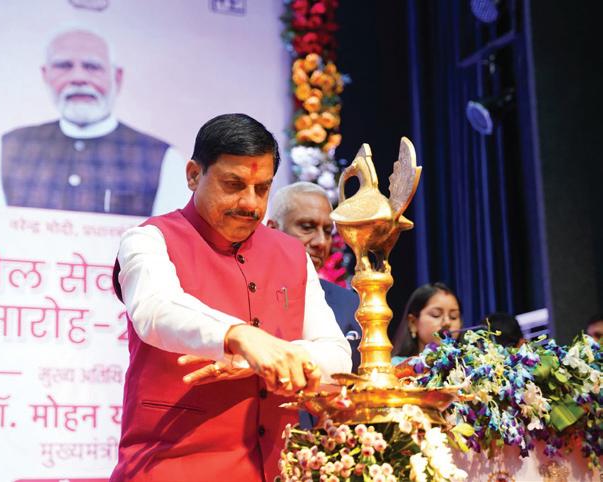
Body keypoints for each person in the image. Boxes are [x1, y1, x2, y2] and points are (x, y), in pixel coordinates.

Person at [110, 113, 351, 481]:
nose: (250, 203)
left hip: (278, 470)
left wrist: (259, 360)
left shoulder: (291, 254)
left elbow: (336, 357)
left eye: (262, 189)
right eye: (234, 184)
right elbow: (155, 309)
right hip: (169, 467)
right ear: (193, 175)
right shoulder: (149, 239)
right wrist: (238, 336)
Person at [1, 28, 187, 216]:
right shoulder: (9, 148)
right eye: (64, 66)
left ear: (117, 77)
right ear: (45, 75)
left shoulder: (162, 158)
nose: (78, 78)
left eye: (92, 67)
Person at [267, 181, 361, 372]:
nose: (321, 242)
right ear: (272, 229)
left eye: (327, 231)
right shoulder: (249, 291)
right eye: (307, 227)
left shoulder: (351, 305)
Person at [392, 282, 462, 361]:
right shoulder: (395, 366)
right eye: (436, 314)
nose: (447, 322)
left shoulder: (467, 366)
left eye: (453, 317)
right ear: (413, 322)